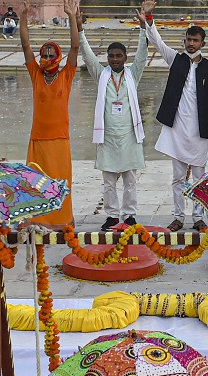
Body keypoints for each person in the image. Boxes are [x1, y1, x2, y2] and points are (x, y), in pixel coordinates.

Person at [140, 0, 208, 232]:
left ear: (202, 43)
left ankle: (198, 218)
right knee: (177, 178)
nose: (191, 43)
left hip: (199, 130)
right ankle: (178, 217)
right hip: (176, 128)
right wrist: (150, 18)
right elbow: (157, 41)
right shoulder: (175, 58)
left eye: (195, 40)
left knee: (198, 177)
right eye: (188, 39)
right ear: (184, 41)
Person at [78, 10, 148, 231]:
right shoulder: (101, 74)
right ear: (107, 58)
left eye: (119, 56)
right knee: (108, 182)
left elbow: (143, 55)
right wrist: (79, 29)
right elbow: (88, 55)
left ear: (125, 58)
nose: (115, 59)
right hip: (107, 136)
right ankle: (111, 216)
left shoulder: (132, 74)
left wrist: (144, 27)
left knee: (130, 180)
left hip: (129, 135)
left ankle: (129, 216)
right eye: (111, 56)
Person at [20, 0, 79, 229]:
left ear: (58, 56)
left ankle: (62, 220)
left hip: (60, 139)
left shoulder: (67, 74)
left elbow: (75, 47)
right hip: (38, 139)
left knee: (60, 183)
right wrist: (24, 16)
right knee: (35, 183)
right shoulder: (36, 74)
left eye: (49, 53)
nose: (45, 56)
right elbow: (25, 45)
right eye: (43, 52)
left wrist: (71, 17)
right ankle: (36, 218)